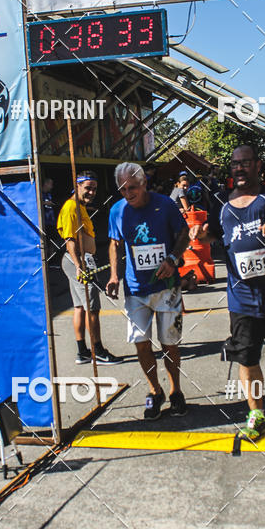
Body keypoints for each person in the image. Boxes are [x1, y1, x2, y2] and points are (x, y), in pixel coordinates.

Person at [191, 145, 265, 439]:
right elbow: (214, 233)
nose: (239, 168)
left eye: (245, 163)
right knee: (246, 357)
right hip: (241, 298)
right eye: (235, 164)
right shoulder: (221, 202)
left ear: (258, 166)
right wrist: (201, 235)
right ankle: (257, 414)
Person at [106, 162, 190, 420]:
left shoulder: (164, 204)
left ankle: (176, 391)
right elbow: (114, 243)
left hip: (168, 288)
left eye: (132, 187)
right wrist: (113, 275)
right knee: (141, 344)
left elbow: (184, 234)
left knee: (170, 344)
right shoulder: (117, 211)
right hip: (135, 289)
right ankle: (155, 391)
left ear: (144, 184)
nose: (127, 193)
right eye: (122, 189)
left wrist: (173, 259)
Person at [57, 171, 121, 365]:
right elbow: (70, 240)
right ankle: (98, 350)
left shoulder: (80, 207)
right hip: (78, 261)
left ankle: (83, 351)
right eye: (87, 188)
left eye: (94, 188)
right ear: (77, 186)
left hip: (82, 260)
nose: (91, 192)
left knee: (80, 307)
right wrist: (79, 266)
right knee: (92, 307)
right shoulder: (70, 207)